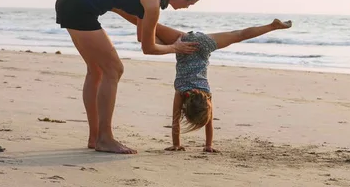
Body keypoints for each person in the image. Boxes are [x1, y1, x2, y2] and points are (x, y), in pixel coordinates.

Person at [54, 0, 203, 154]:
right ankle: (105, 139)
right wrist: (175, 48)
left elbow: (142, 36)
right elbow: (148, 48)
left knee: (97, 70)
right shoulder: (153, 4)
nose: (188, 7)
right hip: (78, 7)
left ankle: (96, 137)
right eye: (190, 3)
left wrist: (174, 40)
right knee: (114, 70)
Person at [121, 13, 292, 153]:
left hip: (195, 44)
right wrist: (196, 145)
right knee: (149, 32)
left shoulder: (206, 94)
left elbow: (201, 122)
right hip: (187, 43)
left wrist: (192, 145)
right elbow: (175, 120)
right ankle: (272, 26)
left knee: (238, 35)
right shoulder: (182, 91)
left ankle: (123, 11)